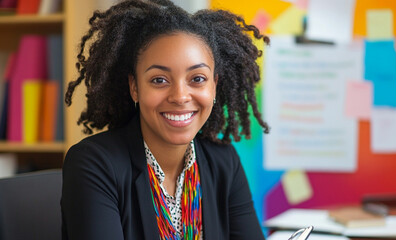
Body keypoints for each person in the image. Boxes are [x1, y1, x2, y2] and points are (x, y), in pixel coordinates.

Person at [61, 0, 270, 239]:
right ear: (135, 87)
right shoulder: (95, 164)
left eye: (197, 79)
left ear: (214, 86)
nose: (180, 96)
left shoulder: (223, 162)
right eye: (159, 80)